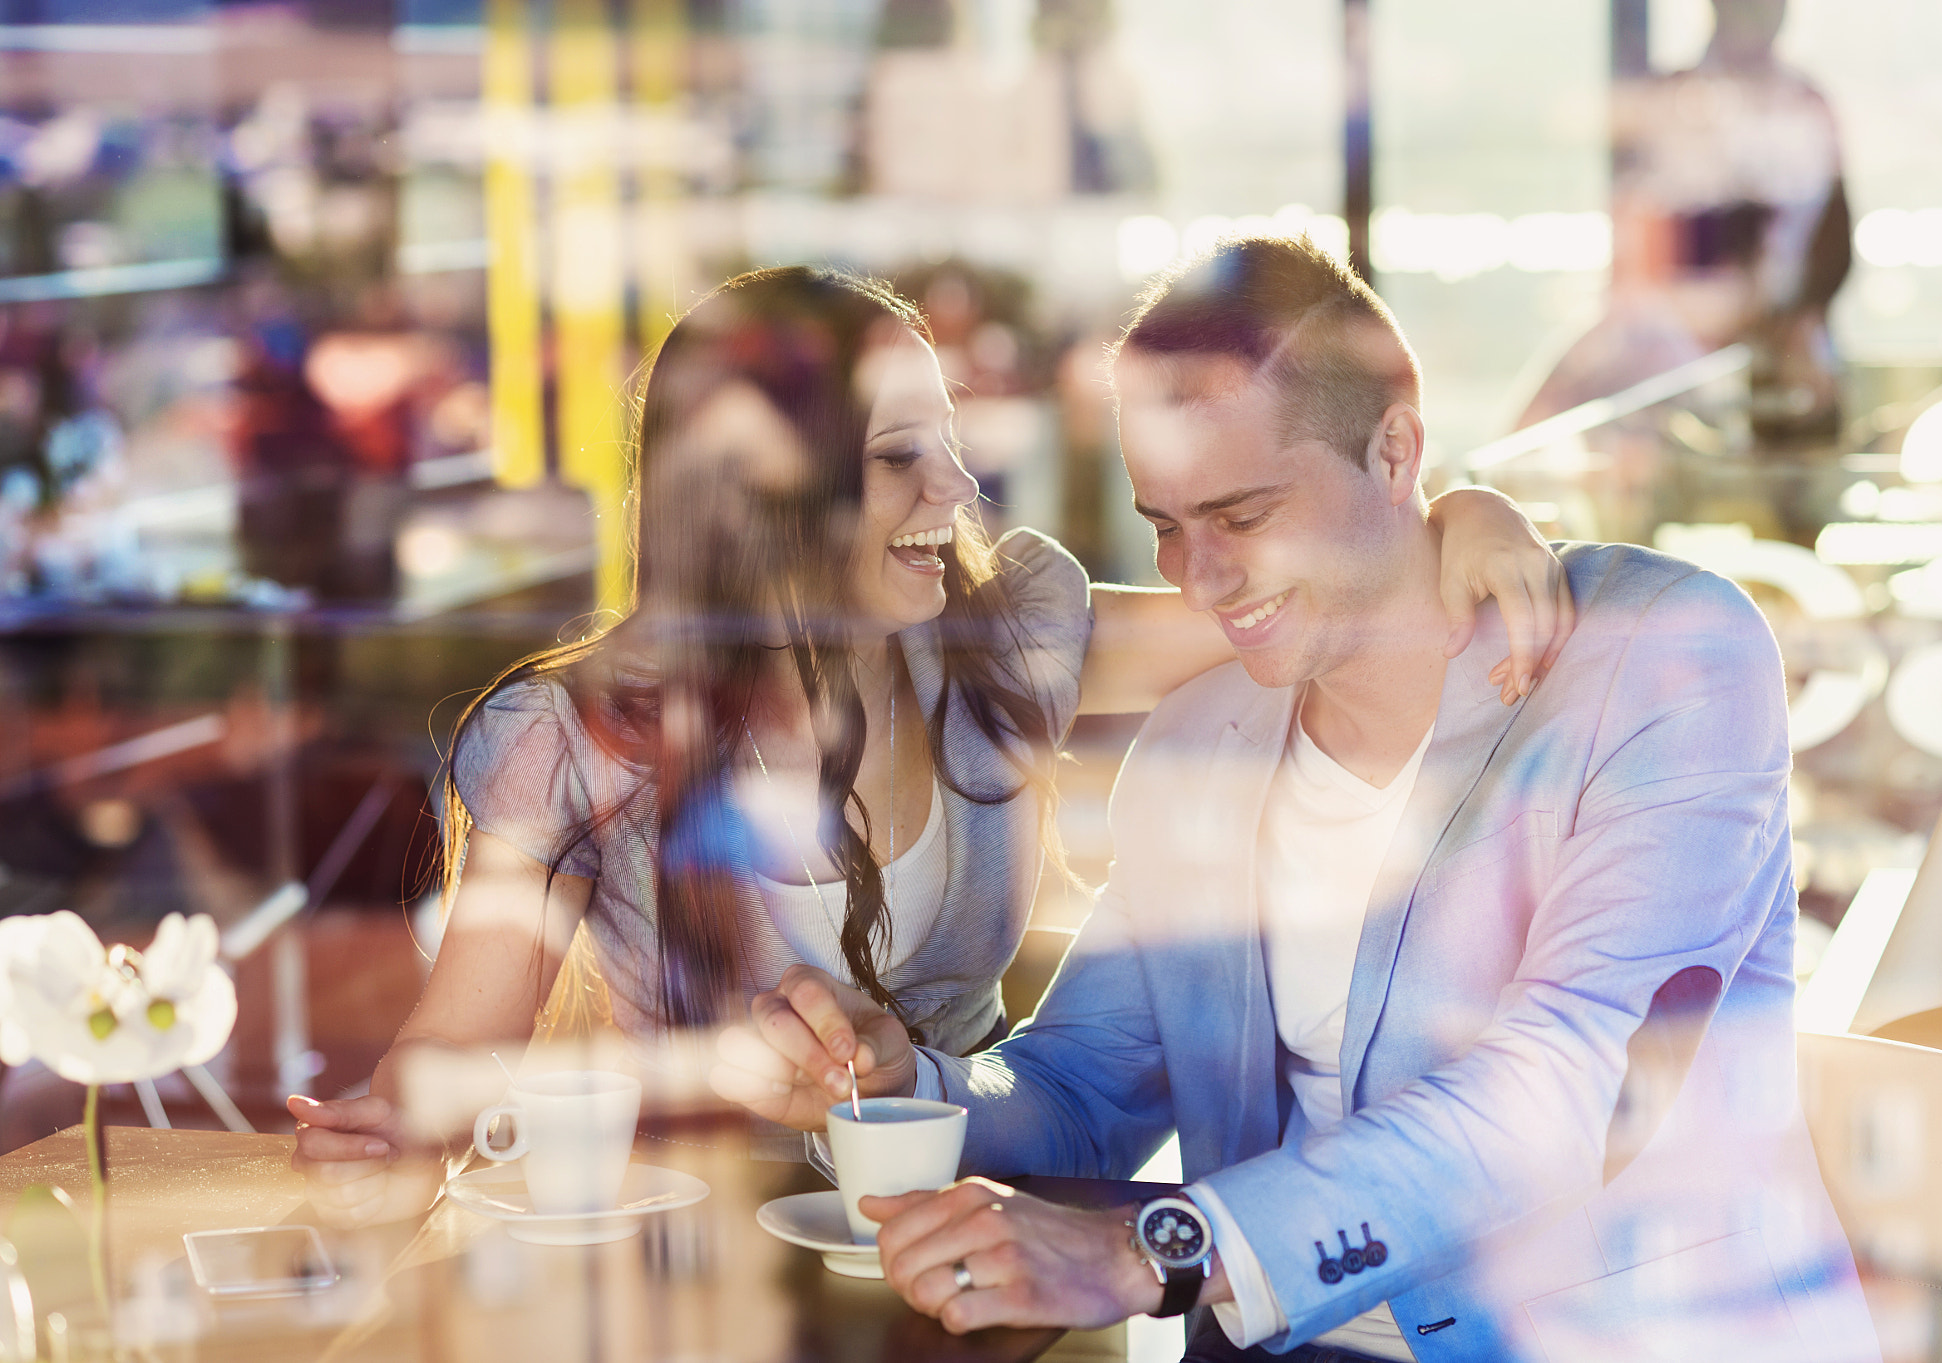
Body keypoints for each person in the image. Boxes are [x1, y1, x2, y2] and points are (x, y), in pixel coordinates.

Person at [715, 239, 1878, 1361]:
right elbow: (1078, 1089)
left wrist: (1159, 1247)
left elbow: (1560, 1090)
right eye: (1165, 527)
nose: (1198, 577)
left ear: (1394, 449)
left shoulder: (1663, 660)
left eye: (1241, 516)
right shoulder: (1195, 746)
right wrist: (903, 1080)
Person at [289, 265, 1573, 1225]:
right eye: (900, 457)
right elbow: (446, 1073)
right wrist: (380, 1141)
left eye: (948, 444)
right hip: (699, 1267)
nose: (957, 491)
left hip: (969, 1219)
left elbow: (1297, 595)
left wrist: (1460, 509)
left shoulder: (997, 640)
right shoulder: (573, 740)